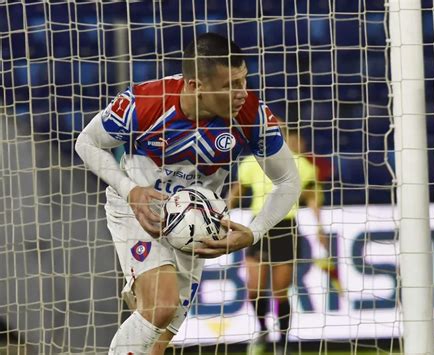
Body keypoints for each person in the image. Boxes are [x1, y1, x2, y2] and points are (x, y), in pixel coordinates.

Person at [74, 32, 301, 355]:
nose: (242, 93)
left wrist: (253, 232)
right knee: (162, 305)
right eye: (229, 86)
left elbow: (288, 181)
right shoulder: (145, 102)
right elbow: (87, 142)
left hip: (196, 224)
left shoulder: (252, 116)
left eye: (244, 80)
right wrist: (131, 190)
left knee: (160, 337)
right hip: (141, 209)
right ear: (196, 86)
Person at [228, 126, 339, 355]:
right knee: (254, 288)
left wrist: (320, 227)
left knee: (280, 291)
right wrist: (222, 213)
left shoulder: (301, 164)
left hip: (286, 228)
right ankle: (262, 331)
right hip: (257, 227)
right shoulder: (252, 162)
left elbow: (312, 198)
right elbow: (237, 190)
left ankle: (283, 340)